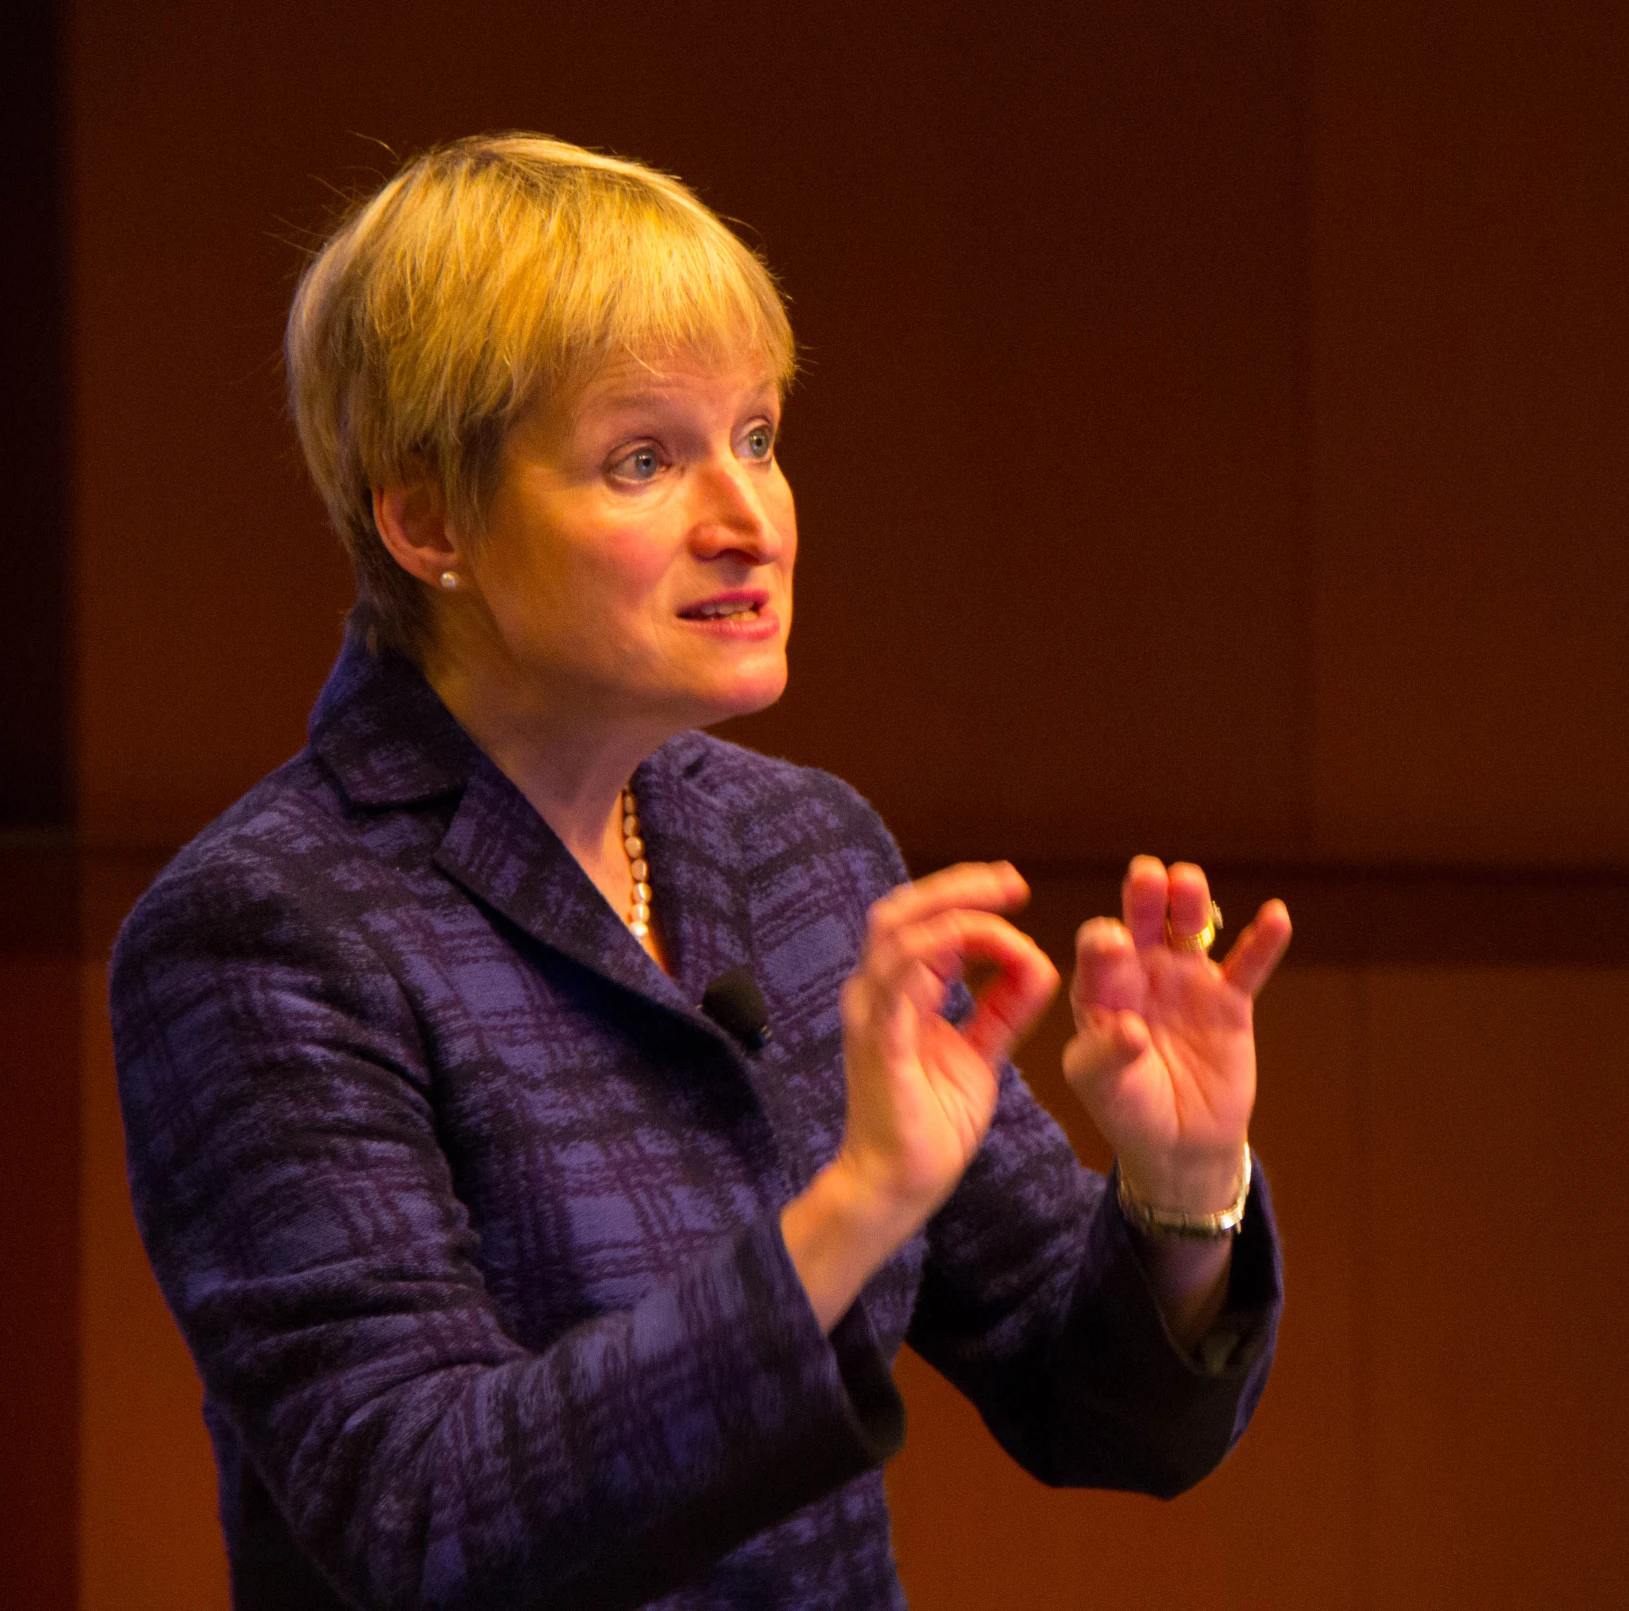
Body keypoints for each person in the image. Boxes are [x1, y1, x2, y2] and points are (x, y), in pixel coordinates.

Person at [108, 133, 1291, 1611]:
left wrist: (1183, 1189)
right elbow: (424, 1519)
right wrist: (852, 1204)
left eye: (758, 435)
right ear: (428, 522)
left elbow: (1100, 1400)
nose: (748, 521)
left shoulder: (799, 848)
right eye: (645, 459)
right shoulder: (268, 930)